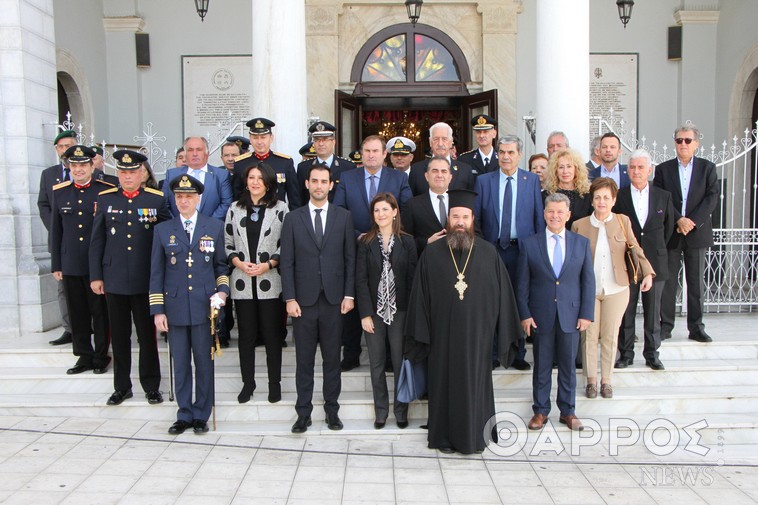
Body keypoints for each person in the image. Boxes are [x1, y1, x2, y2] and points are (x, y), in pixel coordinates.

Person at [405, 189, 520, 454]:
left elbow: (503, 296)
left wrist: (501, 331)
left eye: (464, 217)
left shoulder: (489, 253)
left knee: (474, 384)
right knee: (443, 384)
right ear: (448, 220)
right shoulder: (432, 253)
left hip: (477, 338)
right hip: (442, 336)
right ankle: (443, 438)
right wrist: (422, 334)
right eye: (455, 216)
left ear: (472, 219)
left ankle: (475, 436)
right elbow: (420, 297)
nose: (459, 221)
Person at [150, 174, 229, 435]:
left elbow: (221, 266)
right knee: (181, 363)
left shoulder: (213, 226)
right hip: (174, 309)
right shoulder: (163, 230)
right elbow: (156, 273)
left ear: (198, 198)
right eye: (179, 197)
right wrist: (158, 310)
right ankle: (184, 413)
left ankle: (201, 414)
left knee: (204, 364)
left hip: (204, 308)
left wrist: (223, 291)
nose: (183, 201)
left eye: (188, 196)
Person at [90, 150, 170, 406]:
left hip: (145, 279)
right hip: (113, 279)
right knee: (120, 336)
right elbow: (97, 241)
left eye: (132, 172)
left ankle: (151, 385)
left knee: (147, 337)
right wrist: (96, 276)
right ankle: (121, 386)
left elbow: (166, 239)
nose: (127, 176)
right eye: (123, 172)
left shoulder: (156, 200)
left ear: (141, 174)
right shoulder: (105, 199)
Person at [279, 164, 356, 434]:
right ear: (307, 184)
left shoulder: (344, 217)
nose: (319, 186)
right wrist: (289, 298)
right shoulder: (293, 218)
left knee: (333, 359)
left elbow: (350, 259)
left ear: (331, 185)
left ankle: (332, 411)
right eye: (315, 181)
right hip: (303, 302)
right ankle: (303, 413)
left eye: (324, 181)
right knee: (304, 361)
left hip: (335, 301)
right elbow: (286, 263)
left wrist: (349, 294)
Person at [333, 135, 412, 371]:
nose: (371, 155)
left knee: (388, 297)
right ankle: (351, 353)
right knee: (356, 297)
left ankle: (388, 356)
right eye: (366, 150)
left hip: (390, 248)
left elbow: (405, 212)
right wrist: (360, 235)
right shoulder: (348, 177)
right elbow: (339, 211)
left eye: (376, 151)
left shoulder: (398, 178)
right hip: (357, 245)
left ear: (384, 154)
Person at [518, 193, 595, 432]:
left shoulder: (580, 243)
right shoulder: (530, 243)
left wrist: (586, 314)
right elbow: (522, 284)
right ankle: (540, 411)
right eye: (551, 211)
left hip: (571, 316)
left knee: (568, 366)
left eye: (560, 212)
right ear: (544, 214)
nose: (555, 216)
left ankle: (568, 411)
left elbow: (588, 282)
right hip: (541, 316)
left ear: (568, 215)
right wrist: (525, 314)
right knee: (541, 365)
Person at [572, 178, 654, 400]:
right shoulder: (579, 225)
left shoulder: (622, 221)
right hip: (588, 291)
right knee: (589, 336)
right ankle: (590, 381)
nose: (601, 201)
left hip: (617, 288)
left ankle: (606, 380)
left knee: (610, 335)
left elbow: (634, 247)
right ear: (592, 200)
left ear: (614, 200)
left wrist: (647, 272)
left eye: (606, 197)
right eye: (597, 197)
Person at [474, 135, 544, 370]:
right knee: (492, 301)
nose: (505, 156)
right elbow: (478, 220)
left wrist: (538, 252)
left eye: (510, 152)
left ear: (519, 155)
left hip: (522, 251)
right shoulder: (484, 181)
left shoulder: (531, 180)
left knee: (519, 301)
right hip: (492, 250)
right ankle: (494, 352)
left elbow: (537, 219)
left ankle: (518, 353)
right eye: (501, 152)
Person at [224, 162, 288, 404]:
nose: (255, 182)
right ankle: (248, 383)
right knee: (246, 336)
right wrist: (239, 264)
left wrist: (269, 264)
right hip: (242, 281)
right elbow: (227, 242)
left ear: (269, 182)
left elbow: (286, 244)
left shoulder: (281, 208)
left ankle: (274, 384)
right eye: (251, 177)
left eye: (260, 178)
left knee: (272, 336)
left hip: (270, 281)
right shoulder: (234, 208)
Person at [50, 145, 114, 375]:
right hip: (70, 262)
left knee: (99, 311)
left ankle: (100, 355)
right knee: (76, 312)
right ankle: (83, 356)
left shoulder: (105, 191)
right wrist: (56, 263)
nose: (78, 169)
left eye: (82, 165)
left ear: (91, 166)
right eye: (74, 165)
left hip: (96, 263)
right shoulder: (60, 191)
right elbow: (56, 231)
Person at [356, 193, 417, 429]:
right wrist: (364, 314)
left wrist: (412, 315)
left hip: (400, 311)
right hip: (374, 312)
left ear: (394, 212)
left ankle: (401, 411)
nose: (381, 214)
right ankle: (381, 411)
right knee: (377, 363)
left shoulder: (408, 242)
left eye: (385, 209)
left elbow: (412, 281)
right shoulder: (365, 243)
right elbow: (360, 280)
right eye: (376, 210)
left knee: (400, 361)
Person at [653, 124, 719, 343]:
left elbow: (711, 198)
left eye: (688, 140)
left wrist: (692, 221)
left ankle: (696, 327)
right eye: (679, 140)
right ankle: (666, 325)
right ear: (675, 143)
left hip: (696, 232)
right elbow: (660, 197)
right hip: (672, 231)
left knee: (695, 282)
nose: (683, 144)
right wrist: (678, 220)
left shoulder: (707, 168)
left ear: (696, 144)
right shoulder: (663, 169)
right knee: (668, 281)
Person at [613, 149, 675, 370]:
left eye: (640, 167)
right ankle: (626, 354)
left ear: (649, 170)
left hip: (656, 263)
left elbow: (668, 229)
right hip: (627, 263)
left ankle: (652, 354)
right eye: (632, 167)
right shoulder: (619, 196)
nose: (636, 171)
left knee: (653, 312)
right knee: (626, 311)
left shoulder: (663, 196)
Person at [38, 130, 78, 346]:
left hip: (84, 240)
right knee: (63, 287)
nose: (65, 151)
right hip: (59, 241)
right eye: (61, 147)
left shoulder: (86, 173)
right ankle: (69, 328)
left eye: (69, 146)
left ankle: (91, 326)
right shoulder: (48, 174)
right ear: (56, 150)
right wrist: (56, 229)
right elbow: (43, 205)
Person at [233, 117, 301, 208]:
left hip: (277, 215)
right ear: (250, 139)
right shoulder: (241, 163)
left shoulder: (284, 162)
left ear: (271, 138)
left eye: (263, 137)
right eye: (255, 138)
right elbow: (236, 196)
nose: (259, 142)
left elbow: (294, 198)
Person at [163, 136, 233, 221]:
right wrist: (178, 223)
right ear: (185, 154)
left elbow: (226, 203)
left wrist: (208, 224)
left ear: (207, 153)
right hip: (177, 229)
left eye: (199, 150)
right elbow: (164, 204)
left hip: (210, 229)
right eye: (190, 150)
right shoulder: (172, 175)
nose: (195, 154)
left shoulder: (221, 175)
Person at [401, 157, 453, 256]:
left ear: (450, 177)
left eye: (444, 171)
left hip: (455, 265)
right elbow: (404, 241)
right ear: (426, 176)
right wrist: (426, 242)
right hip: (425, 263)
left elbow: (474, 234)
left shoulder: (460, 203)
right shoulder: (412, 205)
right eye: (434, 171)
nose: (439, 175)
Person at [295, 121, 355, 203]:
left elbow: (351, 198)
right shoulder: (303, 167)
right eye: (317, 140)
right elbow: (298, 198)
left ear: (333, 142)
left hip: (339, 215)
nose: (321, 144)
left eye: (325, 140)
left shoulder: (347, 167)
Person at [408, 122, 475, 196]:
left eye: (444, 139)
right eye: (436, 139)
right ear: (430, 142)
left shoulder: (465, 170)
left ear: (451, 141)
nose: (440, 143)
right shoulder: (416, 170)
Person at [543, 148, 593, 230]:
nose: (565, 171)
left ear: (576, 169)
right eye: (561, 167)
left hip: (580, 240)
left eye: (569, 166)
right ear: (555, 171)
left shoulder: (587, 195)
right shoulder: (546, 195)